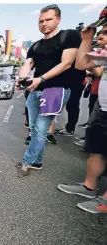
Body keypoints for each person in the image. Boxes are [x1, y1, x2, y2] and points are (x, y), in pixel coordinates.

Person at [15, 5, 80, 178]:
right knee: (34, 127)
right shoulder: (36, 45)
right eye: (41, 21)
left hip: (55, 90)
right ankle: (37, 161)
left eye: (48, 19)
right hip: (35, 90)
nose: (44, 23)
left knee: (40, 129)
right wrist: (21, 79)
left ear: (58, 19)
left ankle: (28, 161)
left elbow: (66, 63)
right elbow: (27, 64)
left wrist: (41, 78)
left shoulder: (69, 36)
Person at [57, 17, 107, 214]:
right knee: (94, 149)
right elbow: (81, 64)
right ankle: (88, 187)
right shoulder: (104, 53)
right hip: (102, 109)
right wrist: (86, 39)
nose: (101, 36)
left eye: (104, 33)